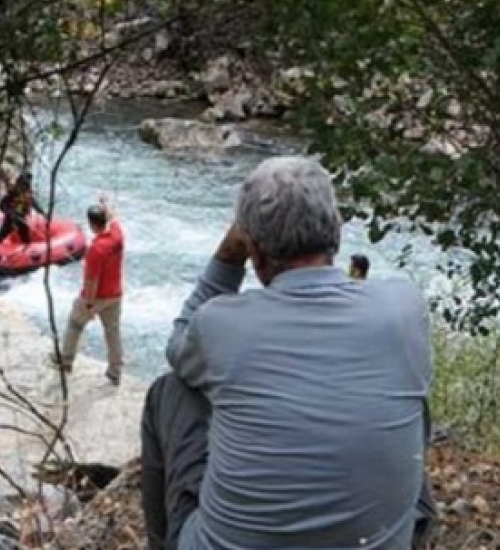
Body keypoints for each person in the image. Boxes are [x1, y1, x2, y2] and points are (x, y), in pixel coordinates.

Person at [140, 156, 436, 550]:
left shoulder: (221, 325)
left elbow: (178, 346)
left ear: (255, 252)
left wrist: (227, 258)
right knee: (404, 392)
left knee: (171, 390)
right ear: (338, 231)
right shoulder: (405, 307)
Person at [56, 194, 126, 385]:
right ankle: (115, 371)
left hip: (98, 296)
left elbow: (92, 281)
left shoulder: (96, 249)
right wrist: (106, 203)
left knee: (74, 324)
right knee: (113, 332)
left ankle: (66, 361)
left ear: (91, 224)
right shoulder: (118, 234)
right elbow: (114, 217)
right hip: (116, 294)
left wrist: (88, 304)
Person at [0, 171, 40, 243]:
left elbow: (34, 203)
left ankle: (27, 250)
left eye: (26, 183)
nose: (24, 186)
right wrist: (9, 212)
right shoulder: (12, 193)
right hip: (10, 219)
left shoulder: (28, 193)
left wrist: (43, 213)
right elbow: (1, 205)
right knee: (0, 236)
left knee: (26, 238)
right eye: (23, 183)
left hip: (21, 219)